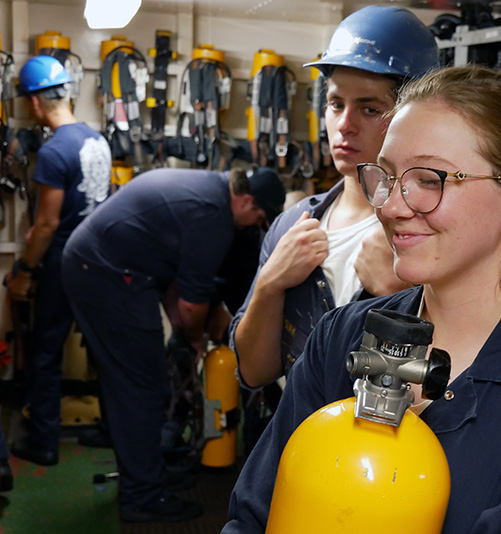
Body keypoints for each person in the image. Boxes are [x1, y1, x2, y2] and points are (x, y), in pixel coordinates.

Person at [222, 65, 501, 533]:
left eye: (429, 178)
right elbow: (254, 516)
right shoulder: (339, 338)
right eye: (386, 176)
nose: (392, 206)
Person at [230, 5, 440, 390]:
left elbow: (464, 382)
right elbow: (254, 372)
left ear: (415, 115)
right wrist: (269, 285)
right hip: (298, 442)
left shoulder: (435, 230)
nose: (344, 125)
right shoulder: (293, 225)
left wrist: (407, 299)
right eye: (335, 104)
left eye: (369, 108)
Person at [61, 166, 284, 523]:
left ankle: (147, 472)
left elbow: (174, 277)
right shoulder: (214, 216)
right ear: (245, 200)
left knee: (132, 381)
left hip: (104, 267)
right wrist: (193, 338)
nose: (254, 224)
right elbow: (192, 306)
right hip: (105, 273)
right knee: (143, 386)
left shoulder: (207, 190)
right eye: (258, 216)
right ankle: (143, 495)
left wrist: (184, 324)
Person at [6, 55, 112, 467]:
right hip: (99, 260)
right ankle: (111, 428)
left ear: (35, 103)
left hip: (64, 262)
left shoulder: (54, 152)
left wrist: (26, 271)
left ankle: (44, 442)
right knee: (103, 349)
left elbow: (48, 223)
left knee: (46, 350)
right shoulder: (97, 140)